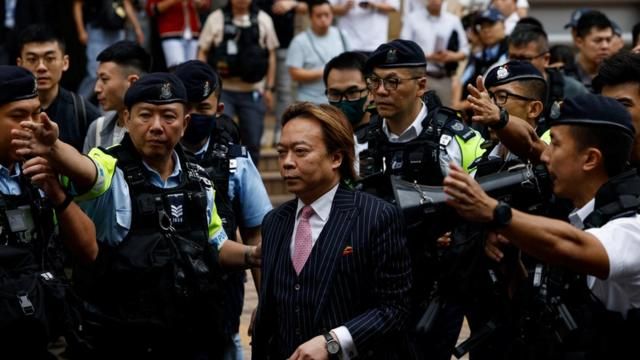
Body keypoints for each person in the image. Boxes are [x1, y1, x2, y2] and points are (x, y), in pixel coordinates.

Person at [15, 72, 261, 357]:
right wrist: (54, 148)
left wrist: (250, 255)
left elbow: (214, 246)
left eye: (168, 116)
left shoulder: (199, 180)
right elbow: (86, 171)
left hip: (191, 340)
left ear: (185, 123)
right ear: (126, 119)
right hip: (121, 341)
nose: (156, 126)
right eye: (145, 115)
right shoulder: (108, 165)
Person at [444, 94, 640, 358]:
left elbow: (572, 246)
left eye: (555, 145)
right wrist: (511, 261)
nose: (545, 156)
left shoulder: (631, 226)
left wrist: (494, 212)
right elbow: (540, 304)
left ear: (590, 159)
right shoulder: (568, 211)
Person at [252, 102, 412, 359]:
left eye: (300, 151)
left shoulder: (375, 217)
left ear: (336, 157)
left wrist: (334, 341)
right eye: (282, 153)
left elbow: (395, 309)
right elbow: (270, 316)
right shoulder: (274, 222)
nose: (287, 163)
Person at [360, 39, 485, 359]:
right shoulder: (360, 143)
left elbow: (487, 200)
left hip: (436, 285)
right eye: (374, 82)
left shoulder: (453, 138)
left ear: (421, 85)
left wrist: (454, 235)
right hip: (378, 281)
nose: (381, 91)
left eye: (392, 82)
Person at [174, 59, 272, 360]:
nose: (192, 116)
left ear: (218, 110)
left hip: (221, 290)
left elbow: (256, 235)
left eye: (202, 108)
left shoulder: (235, 161)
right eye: (185, 107)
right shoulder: (154, 152)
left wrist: (266, 304)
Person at [1, 65, 97, 357]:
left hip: (47, 330)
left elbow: (88, 250)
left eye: (35, 113)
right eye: (18, 116)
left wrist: (56, 192)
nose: (30, 125)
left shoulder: (43, 170)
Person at [198, 0, 279, 165]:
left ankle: (248, 181)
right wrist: (206, 86)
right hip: (223, 91)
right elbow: (203, 51)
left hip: (253, 91)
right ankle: (221, 181)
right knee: (219, 139)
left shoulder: (263, 19)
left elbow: (271, 55)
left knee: (253, 143)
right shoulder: (216, 18)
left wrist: (269, 88)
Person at [16, 24, 101, 153]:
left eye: (50, 58)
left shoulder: (83, 113)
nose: (41, 67)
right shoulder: (9, 111)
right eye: (32, 59)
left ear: (65, 62)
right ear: (20, 64)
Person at [507, 23, 588, 128]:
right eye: (513, 58)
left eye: (525, 59)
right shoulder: (500, 89)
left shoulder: (573, 90)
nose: (517, 64)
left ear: (546, 59)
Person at [83, 40, 151, 153]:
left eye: (104, 79)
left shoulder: (154, 132)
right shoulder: (97, 129)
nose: (96, 89)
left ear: (132, 82)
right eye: (97, 79)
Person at [256, 0, 308, 145]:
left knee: (284, 90)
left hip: (284, 43)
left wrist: (292, 4)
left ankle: (281, 129)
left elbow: (309, 6)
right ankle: (261, 129)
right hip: (259, 45)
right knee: (259, 89)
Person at [400, 0, 469, 107]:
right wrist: (429, 57)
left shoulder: (453, 20)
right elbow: (403, 50)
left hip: (445, 77)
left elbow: (465, 50)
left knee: (444, 115)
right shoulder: (412, 19)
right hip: (421, 76)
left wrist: (451, 56)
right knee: (420, 114)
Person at [73, 0, 144, 99]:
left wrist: (137, 28)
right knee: (94, 73)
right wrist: (81, 30)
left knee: (116, 72)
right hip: (97, 29)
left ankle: (109, 110)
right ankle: (79, 102)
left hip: (117, 30)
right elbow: (78, 5)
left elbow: (126, 4)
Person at [287, 0, 349, 103]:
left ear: (332, 15)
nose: (323, 19)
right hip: (309, 100)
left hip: (339, 100)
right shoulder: (300, 41)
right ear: (310, 17)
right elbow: (294, 73)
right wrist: (325, 72)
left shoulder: (342, 35)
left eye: (327, 15)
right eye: (319, 16)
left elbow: (351, 61)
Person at [460, 7, 508, 100]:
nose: (486, 30)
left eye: (491, 25)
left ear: (503, 25)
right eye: (482, 26)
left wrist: (462, 105)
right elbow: (462, 81)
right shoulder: (479, 53)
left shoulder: (511, 51)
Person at [146, 0, 210, 68]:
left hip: (193, 32)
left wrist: (200, 3)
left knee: (192, 69)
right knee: (177, 68)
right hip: (170, 32)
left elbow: (206, 5)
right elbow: (152, 9)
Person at [329, 0, 398, 54]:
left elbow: (394, 6)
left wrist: (373, 5)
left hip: (375, 42)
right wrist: (344, 8)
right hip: (348, 42)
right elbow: (327, 7)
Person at [571, 10, 613, 91]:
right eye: (598, 40)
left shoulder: (615, 75)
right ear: (579, 41)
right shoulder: (564, 77)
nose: (605, 46)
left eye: (608, 40)